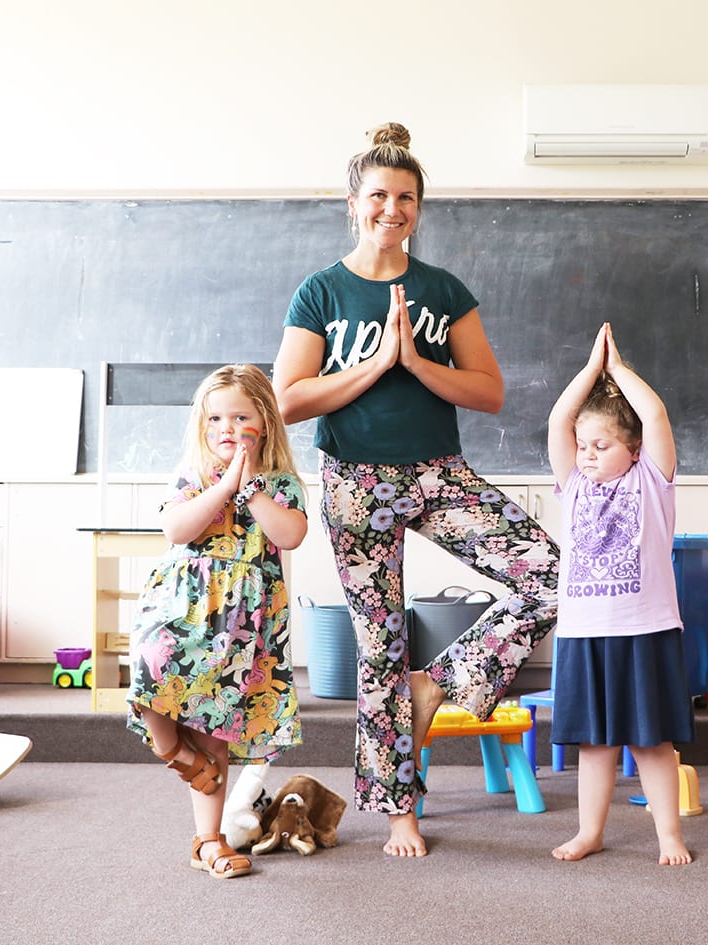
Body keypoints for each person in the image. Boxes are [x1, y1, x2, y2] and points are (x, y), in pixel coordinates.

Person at [272, 122, 560, 857]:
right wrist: (374, 365)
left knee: (552, 574)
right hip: (355, 482)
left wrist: (416, 362)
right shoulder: (322, 291)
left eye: (405, 198)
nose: (391, 209)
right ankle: (400, 813)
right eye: (378, 195)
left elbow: (489, 391)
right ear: (352, 203)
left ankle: (439, 684)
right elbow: (289, 399)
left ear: (419, 207)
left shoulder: (442, 290)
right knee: (380, 648)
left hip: (438, 472)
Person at [125, 363, 309, 879]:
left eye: (241, 417)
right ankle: (174, 753)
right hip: (181, 608)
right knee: (149, 674)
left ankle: (209, 840)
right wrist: (225, 484)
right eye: (215, 419)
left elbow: (290, 535)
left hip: (241, 624)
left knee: (214, 728)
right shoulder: (193, 475)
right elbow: (178, 529)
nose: (227, 428)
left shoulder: (280, 484)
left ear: (265, 422)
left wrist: (249, 488)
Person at [546, 322, 694, 866]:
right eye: (583, 445)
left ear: (633, 450)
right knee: (594, 743)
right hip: (585, 633)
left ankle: (668, 835)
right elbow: (558, 421)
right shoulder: (573, 485)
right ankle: (590, 832)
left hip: (644, 628)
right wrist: (590, 372)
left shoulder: (652, 480)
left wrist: (618, 370)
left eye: (601, 445)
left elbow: (654, 415)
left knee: (652, 742)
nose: (587, 454)